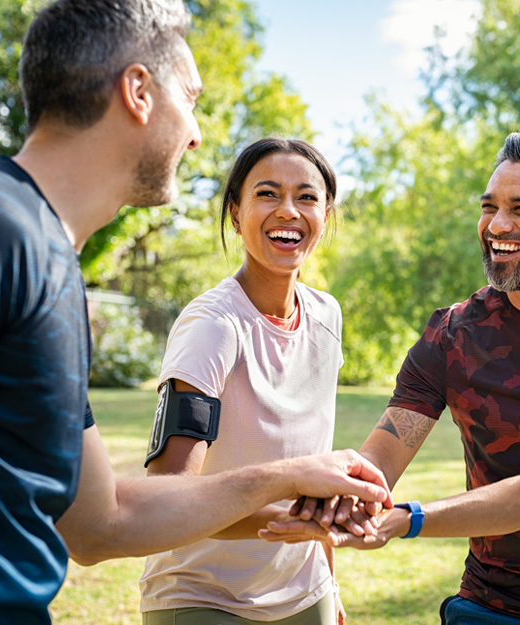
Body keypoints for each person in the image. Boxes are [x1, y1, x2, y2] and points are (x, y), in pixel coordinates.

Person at [0, 3, 392, 624]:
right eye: (190, 98)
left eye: (308, 196)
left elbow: (99, 524)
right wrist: (292, 477)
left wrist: (297, 492)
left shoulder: (53, 262)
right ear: (138, 91)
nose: (195, 133)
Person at [264, 103, 520, 625]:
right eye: (489, 207)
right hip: (490, 605)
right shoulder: (453, 334)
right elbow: (380, 463)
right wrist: (339, 504)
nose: (496, 225)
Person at [139, 137, 348, 625]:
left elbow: (313, 461)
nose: (288, 211)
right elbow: (169, 498)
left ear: (326, 213)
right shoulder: (213, 326)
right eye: (268, 194)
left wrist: (328, 580)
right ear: (235, 213)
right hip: (201, 596)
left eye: (307, 197)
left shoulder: (326, 316)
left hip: (303, 592)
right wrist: (296, 521)